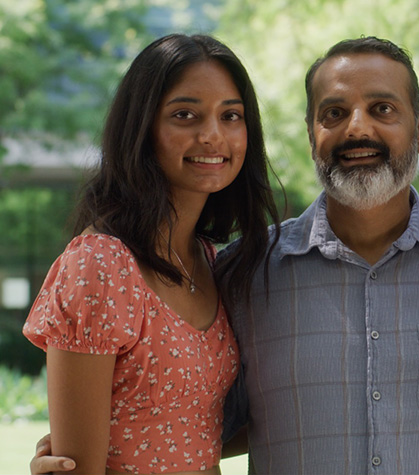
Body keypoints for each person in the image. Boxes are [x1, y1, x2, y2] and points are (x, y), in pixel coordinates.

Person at [30, 36, 419, 474]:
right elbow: (183, 419)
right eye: (334, 113)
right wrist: (80, 451)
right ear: (311, 131)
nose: (358, 129)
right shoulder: (246, 270)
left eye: (383, 109)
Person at [23, 33, 279, 474]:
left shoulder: (208, 261)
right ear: (141, 129)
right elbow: (76, 467)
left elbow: (191, 428)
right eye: (185, 115)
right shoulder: (99, 265)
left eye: (230, 115)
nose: (212, 135)